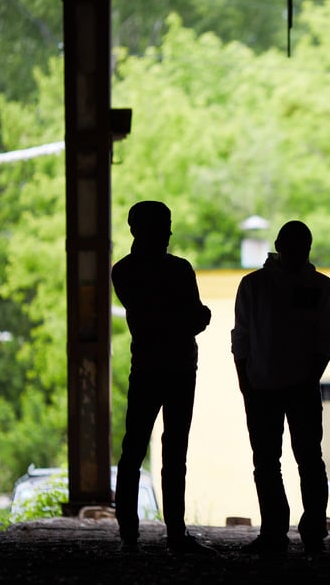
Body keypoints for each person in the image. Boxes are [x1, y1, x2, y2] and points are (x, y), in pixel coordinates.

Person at [111, 200, 215, 555]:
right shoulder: (180, 270)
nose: (169, 231)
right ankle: (175, 534)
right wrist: (188, 317)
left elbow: (153, 317)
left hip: (147, 368)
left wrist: (180, 317)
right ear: (145, 228)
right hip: (181, 368)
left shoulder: (123, 271)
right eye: (164, 224)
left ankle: (129, 534)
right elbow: (196, 318)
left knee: (133, 450)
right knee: (174, 452)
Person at [231, 220, 330, 556]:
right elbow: (327, 340)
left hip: (264, 385)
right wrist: (309, 377)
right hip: (293, 387)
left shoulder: (254, 286)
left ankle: (277, 532)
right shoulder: (320, 287)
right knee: (307, 460)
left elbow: (242, 341)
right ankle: (310, 529)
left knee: (270, 462)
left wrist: (246, 384)